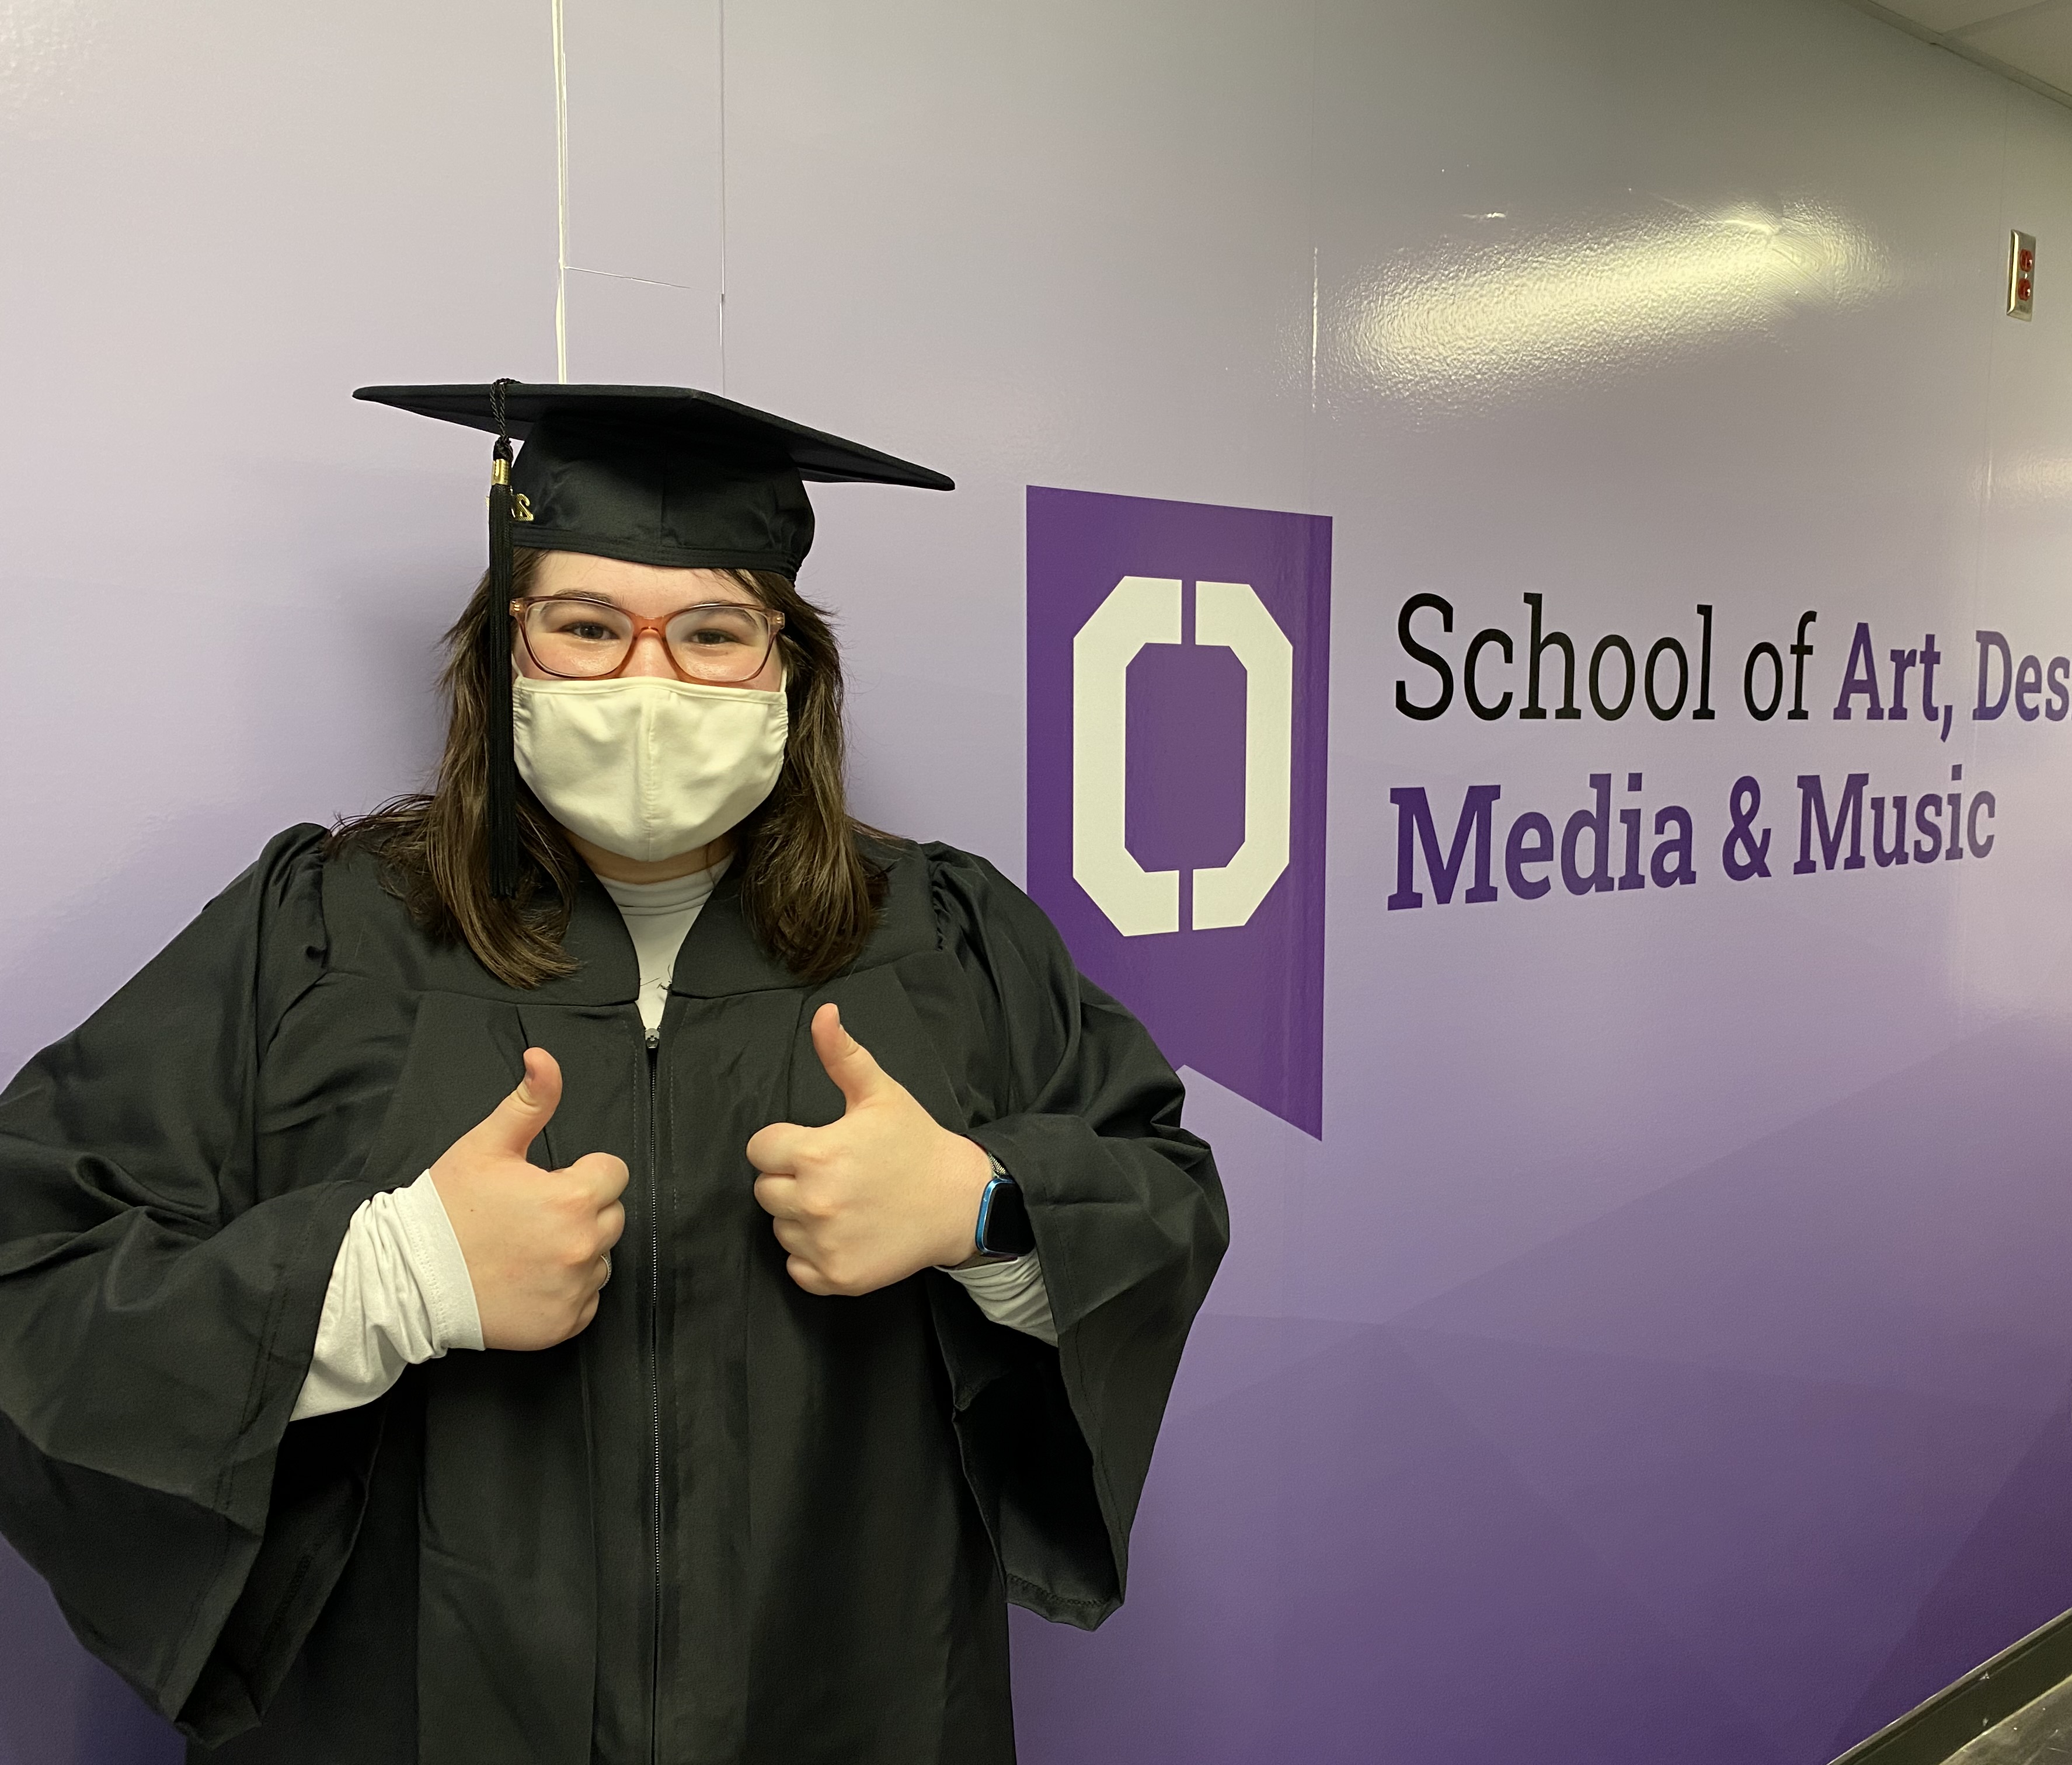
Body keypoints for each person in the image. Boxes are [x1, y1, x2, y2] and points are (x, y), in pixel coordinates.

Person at [0, 382, 1228, 1764]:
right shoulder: (319, 932)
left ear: (790, 671)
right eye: (585, 626)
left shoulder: (943, 939)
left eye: (714, 632)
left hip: (845, 1701)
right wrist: (377, 1280)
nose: (649, 680)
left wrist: (986, 1207)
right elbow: (25, 1267)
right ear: (502, 655)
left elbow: (1162, 1194)